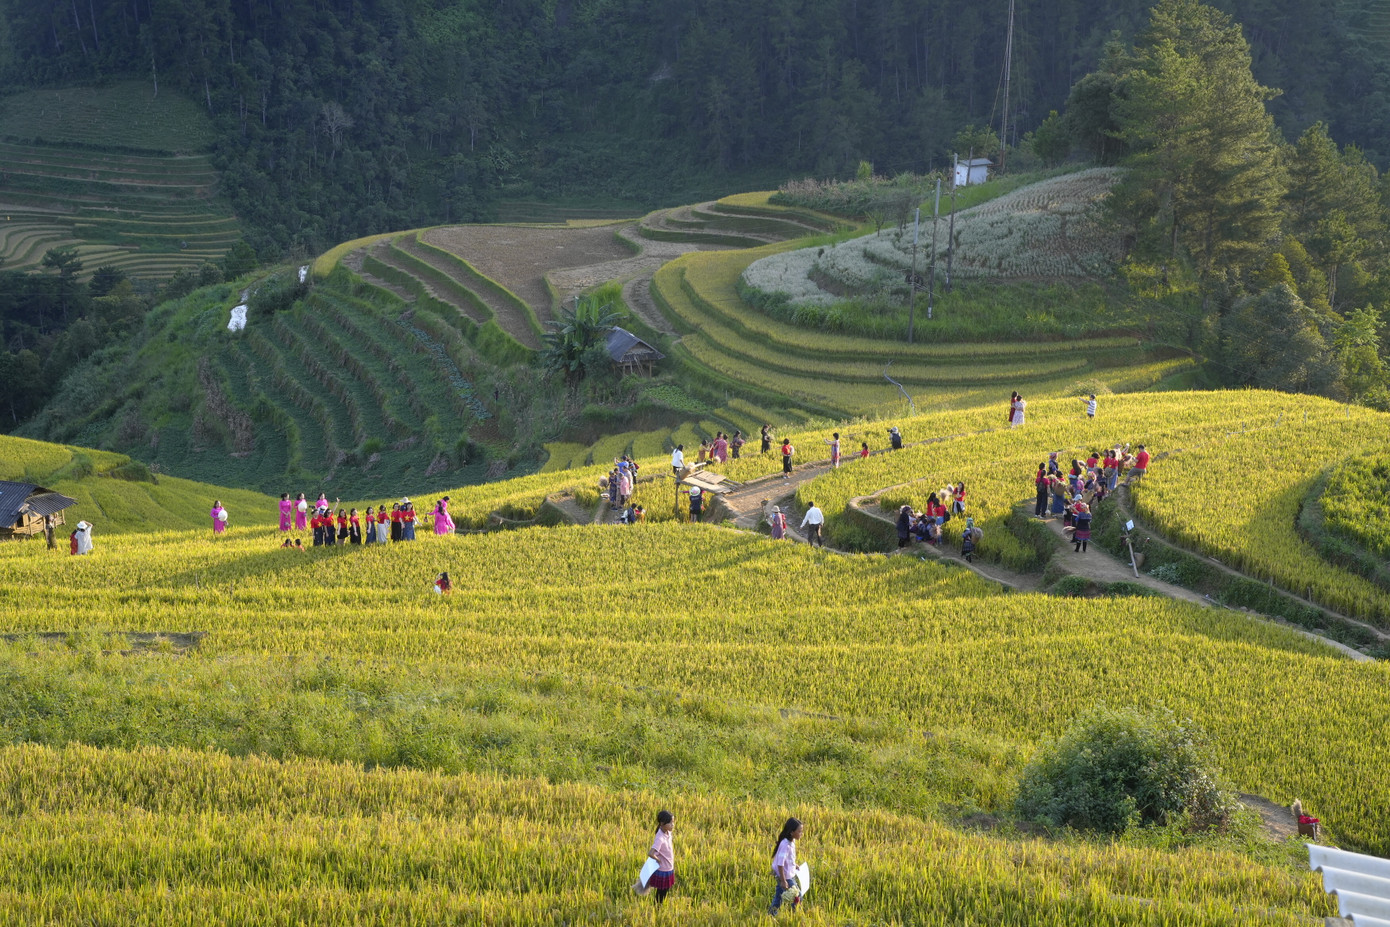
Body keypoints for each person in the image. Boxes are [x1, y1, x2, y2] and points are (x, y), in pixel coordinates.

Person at [639, 810, 676, 905]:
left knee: (664, 891)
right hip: (664, 869)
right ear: (662, 823)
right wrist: (659, 860)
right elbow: (651, 853)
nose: (673, 825)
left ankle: (658, 908)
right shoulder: (660, 838)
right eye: (670, 823)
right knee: (661, 893)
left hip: (669, 867)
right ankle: (657, 908)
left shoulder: (667, 832)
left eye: (673, 822)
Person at [769, 817, 804, 917]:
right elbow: (780, 864)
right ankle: (796, 916)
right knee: (797, 896)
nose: (801, 833)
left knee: (779, 897)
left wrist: (794, 864)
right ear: (792, 832)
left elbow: (788, 859)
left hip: (787, 874)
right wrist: (783, 881)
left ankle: (771, 915)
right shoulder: (785, 845)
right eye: (799, 831)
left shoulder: (791, 842)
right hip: (786, 877)